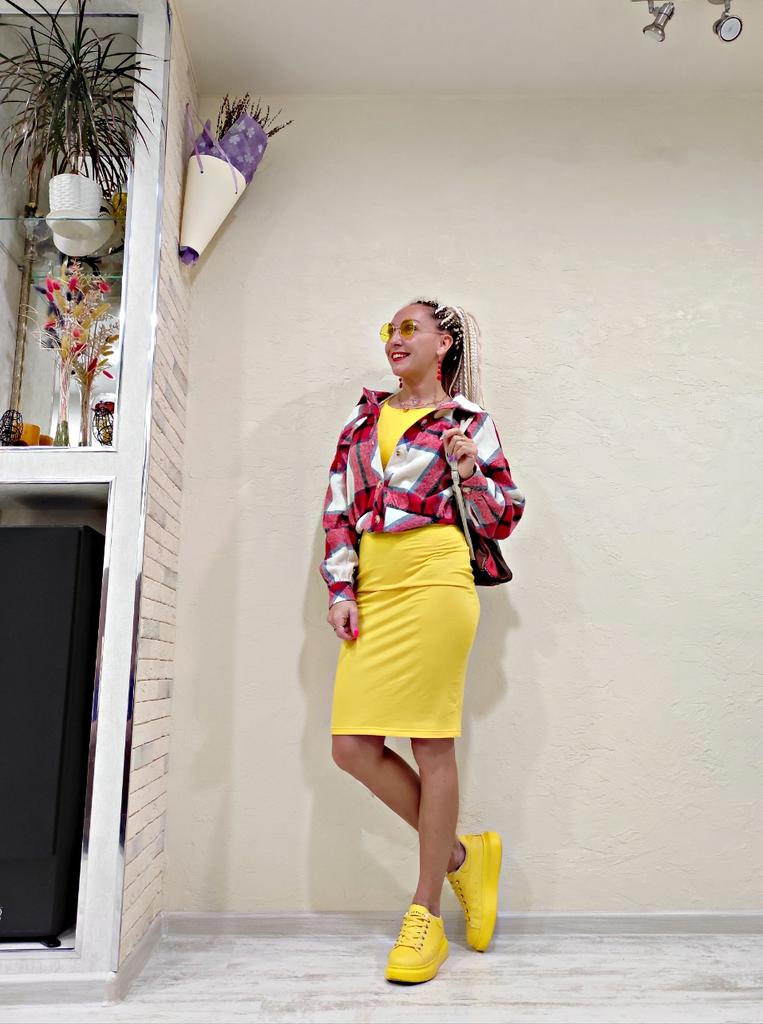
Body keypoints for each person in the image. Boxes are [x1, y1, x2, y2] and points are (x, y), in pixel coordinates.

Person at [318, 298, 526, 984]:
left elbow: (504, 515)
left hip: (436, 580)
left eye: (410, 328)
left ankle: (425, 913)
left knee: (430, 743)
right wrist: (341, 589)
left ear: (444, 343)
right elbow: (338, 511)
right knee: (351, 747)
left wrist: (470, 471)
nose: (395, 339)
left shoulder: (468, 421)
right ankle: (463, 857)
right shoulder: (360, 422)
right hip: (375, 586)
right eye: (390, 330)